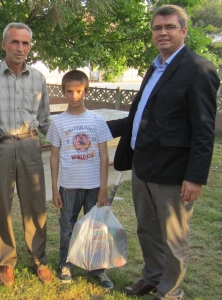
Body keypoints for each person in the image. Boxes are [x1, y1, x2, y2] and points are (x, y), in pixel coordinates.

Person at [107, 5, 220, 300]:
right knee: (147, 230)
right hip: (143, 166)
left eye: (169, 27)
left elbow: (204, 129)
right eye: (157, 28)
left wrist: (194, 177)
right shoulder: (155, 66)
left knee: (173, 238)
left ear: (184, 31)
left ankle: (170, 292)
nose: (163, 33)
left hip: (173, 172)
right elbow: (140, 115)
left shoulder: (199, 68)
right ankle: (153, 277)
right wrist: (100, 127)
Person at [0, 22, 52, 286]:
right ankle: (6, 261)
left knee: (36, 206)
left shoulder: (38, 78)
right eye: (14, 42)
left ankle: (39, 259)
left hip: (30, 147)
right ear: (4, 44)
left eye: (25, 43)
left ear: (30, 47)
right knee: (0, 207)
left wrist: (73, 144)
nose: (20, 47)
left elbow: (46, 120)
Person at [46, 70, 114, 289]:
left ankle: (98, 268)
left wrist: (103, 188)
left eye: (79, 91)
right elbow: (54, 156)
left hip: (94, 185)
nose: (74, 96)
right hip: (69, 186)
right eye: (69, 91)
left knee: (96, 228)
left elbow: (104, 155)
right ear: (63, 92)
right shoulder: (58, 123)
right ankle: (66, 263)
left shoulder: (97, 120)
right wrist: (55, 189)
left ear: (86, 91)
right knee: (68, 226)